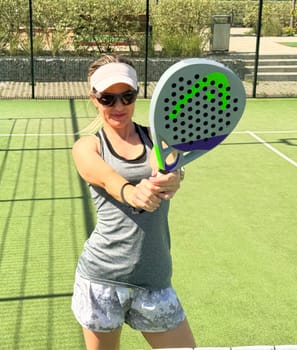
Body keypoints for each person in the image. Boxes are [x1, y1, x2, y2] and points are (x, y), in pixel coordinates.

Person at [71, 54, 196, 350]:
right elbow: (103, 177)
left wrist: (174, 178)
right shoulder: (88, 145)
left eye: (127, 96)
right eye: (108, 98)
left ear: (137, 94)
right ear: (94, 98)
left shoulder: (157, 138)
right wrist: (130, 192)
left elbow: (173, 169)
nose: (118, 106)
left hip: (155, 279)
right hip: (102, 280)